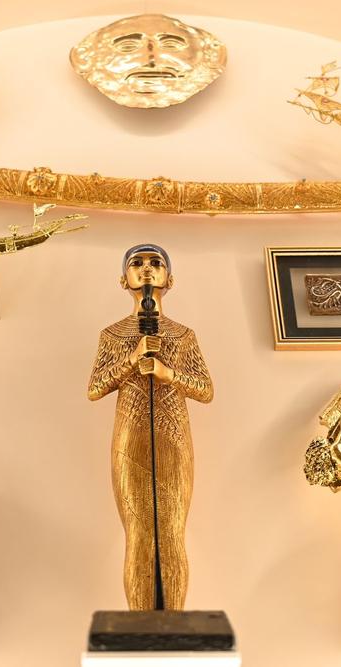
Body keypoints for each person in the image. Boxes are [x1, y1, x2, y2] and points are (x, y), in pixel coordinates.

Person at [86, 244, 212, 610]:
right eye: (137, 263)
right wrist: (132, 358)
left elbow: (205, 389)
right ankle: (140, 623)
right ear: (122, 279)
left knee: (171, 533)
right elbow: (95, 388)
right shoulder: (112, 334)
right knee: (139, 534)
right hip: (131, 438)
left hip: (173, 437)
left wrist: (166, 373)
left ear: (169, 279)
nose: (146, 269)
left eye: (156, 263)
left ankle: (172, 623)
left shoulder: (183, 335)